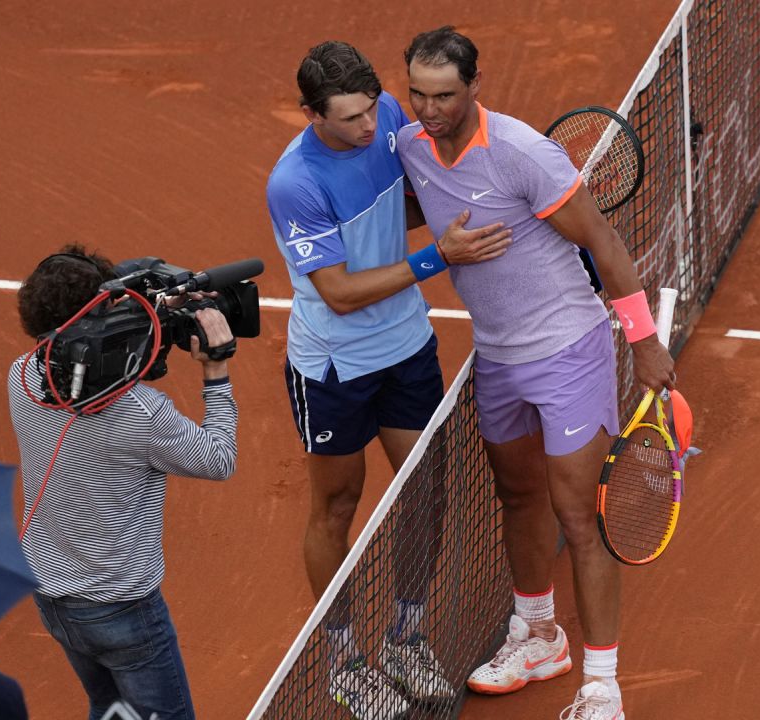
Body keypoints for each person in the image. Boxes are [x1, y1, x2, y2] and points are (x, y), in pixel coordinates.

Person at [396, 27, 676, 720]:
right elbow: (410, 207)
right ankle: (538, 636)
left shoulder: (523, 153)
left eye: (445, 96)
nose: (429, 110)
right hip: (496, 356)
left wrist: (641, 342)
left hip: (568, 351)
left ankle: (601, 686)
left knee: (580, 517)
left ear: (474, 87)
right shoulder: (409, 145)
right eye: (417, 95)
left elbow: (603, 241)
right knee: (518, 497)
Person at [265, 40, 511, 719]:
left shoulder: (391, 115)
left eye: (373, 110)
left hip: (405, 346)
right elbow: (340, 292)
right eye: (350, 119)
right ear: (312, 113)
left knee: (425, 490)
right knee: (337, 508)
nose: (370, 128)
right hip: (334, 367)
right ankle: (345, 659)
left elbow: (407, 199)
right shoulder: (296, 183)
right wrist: (440, 256)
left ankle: (405, 635)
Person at [6, 245, 239, 720]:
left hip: (53, 598)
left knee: (111, 710)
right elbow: (218, 459)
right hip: (123, 611)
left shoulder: (22, 376)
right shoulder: (139, 413)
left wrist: (153, 312)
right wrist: (216, 371)